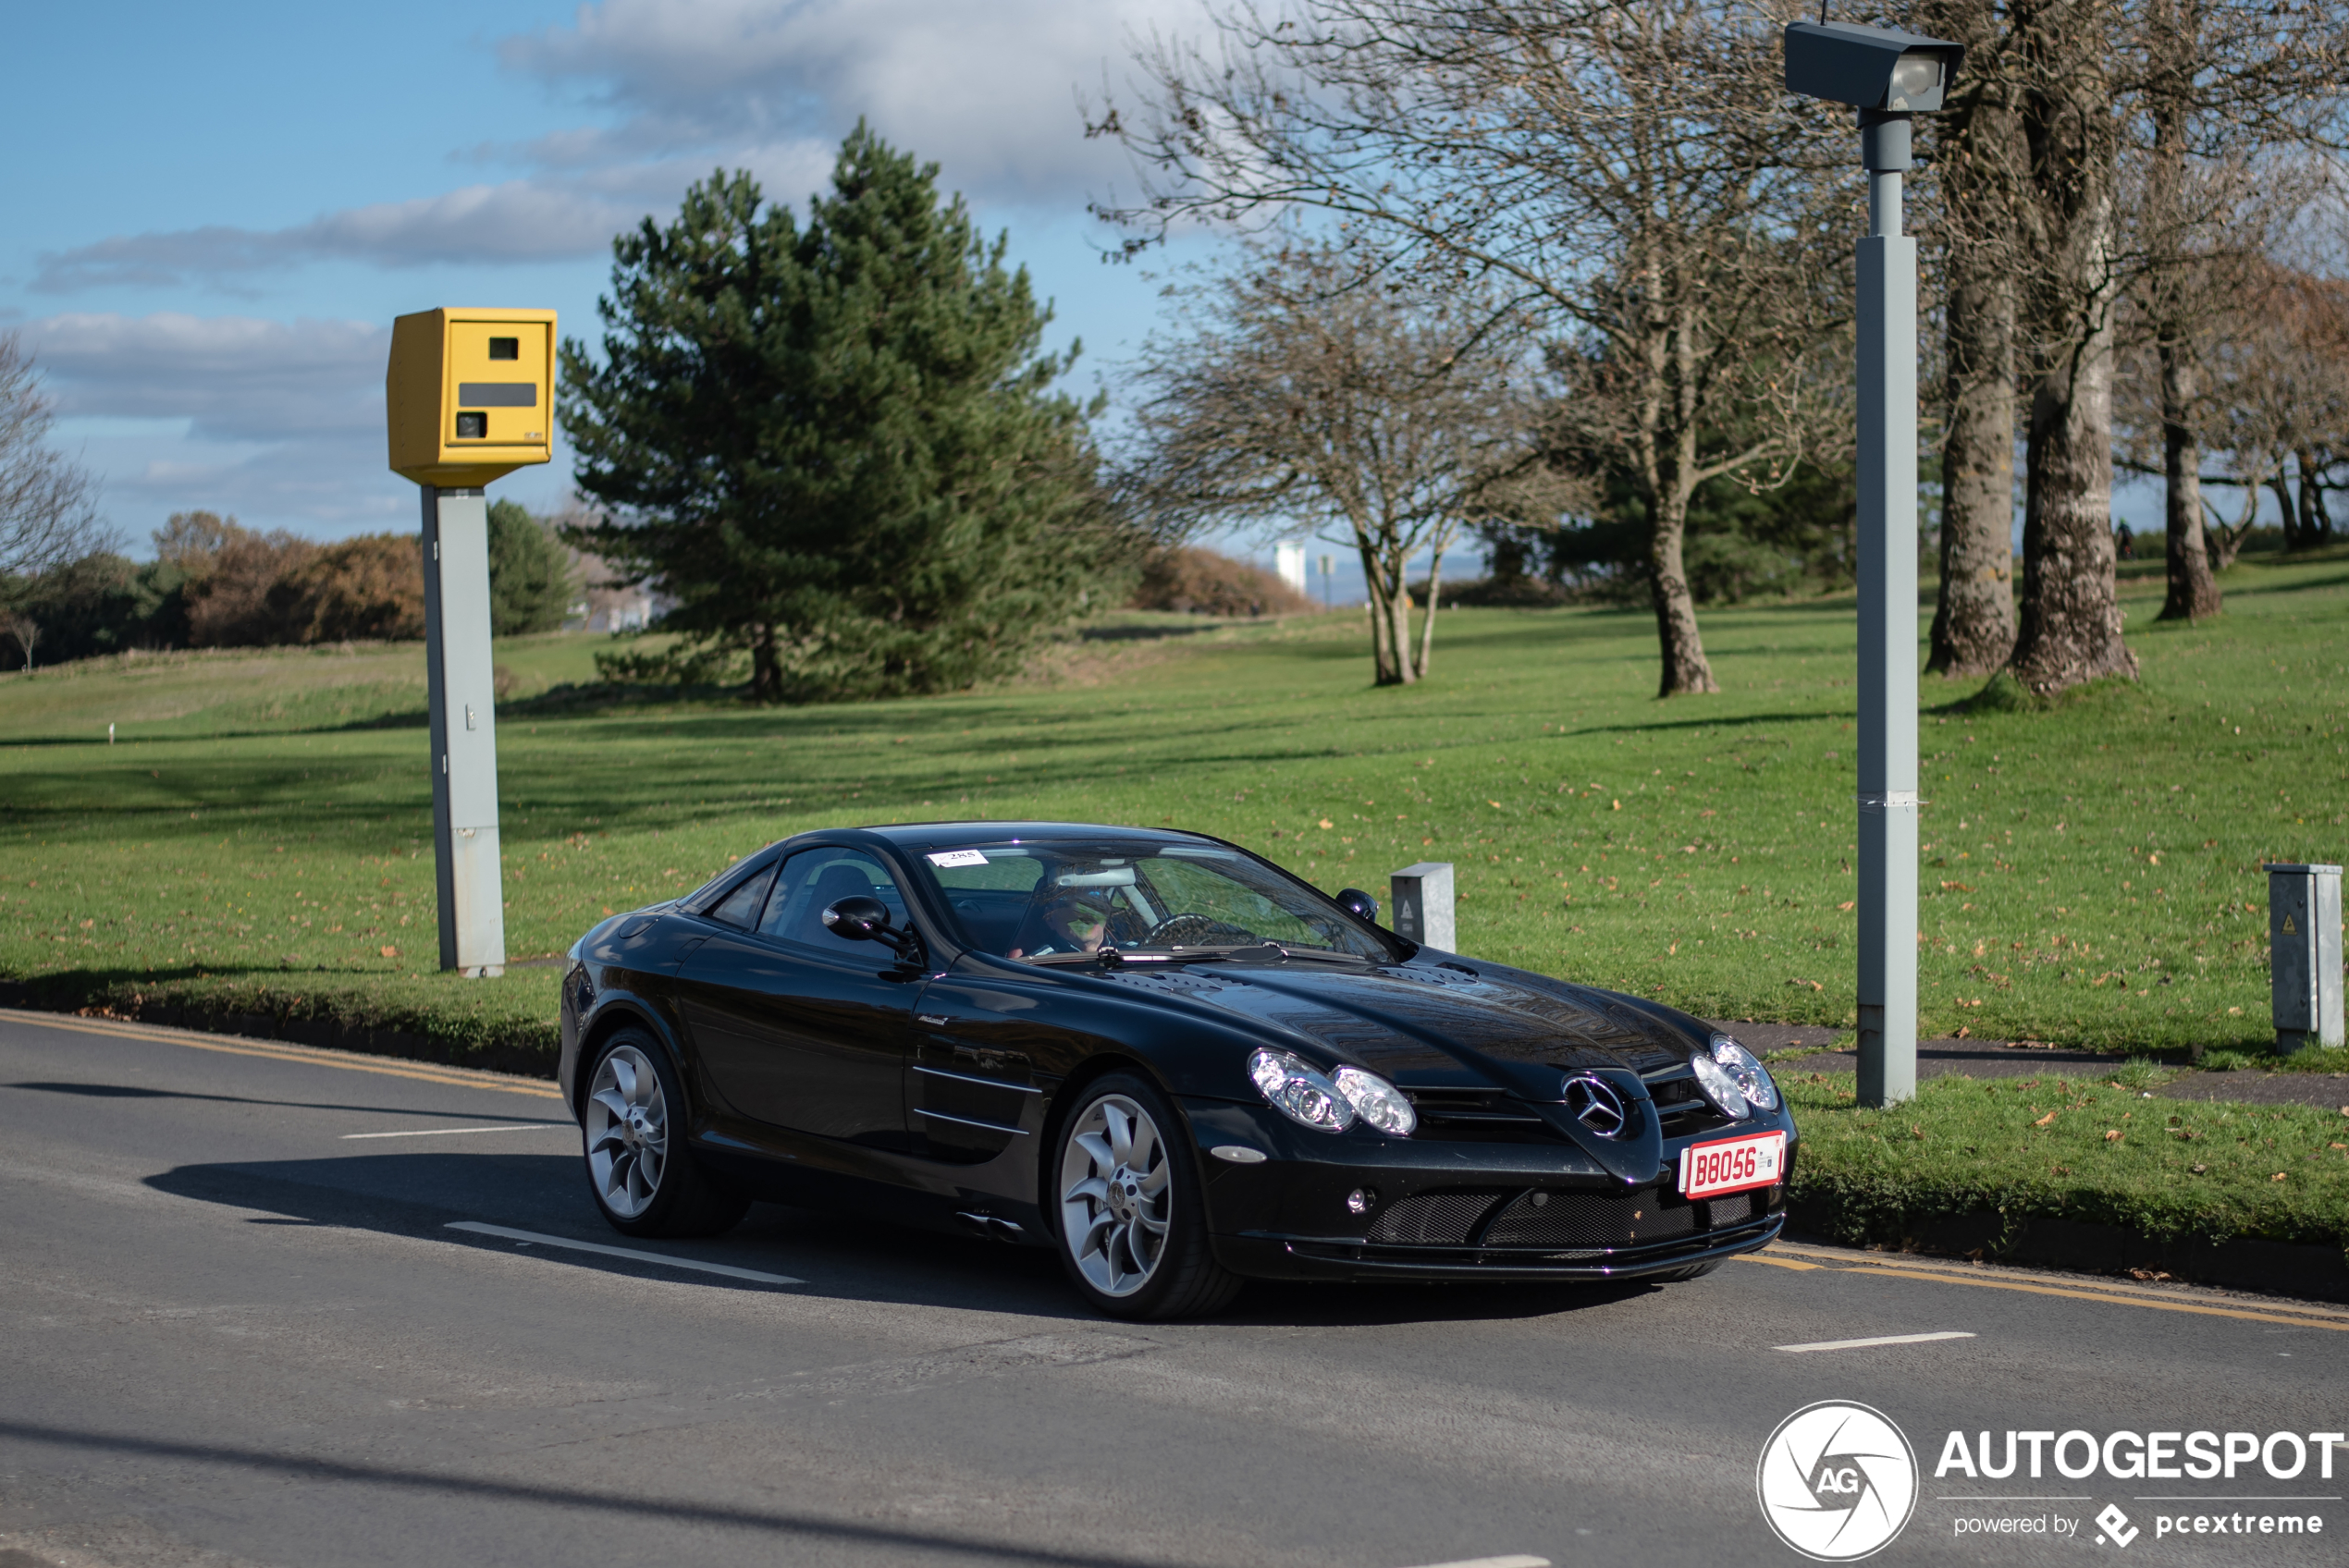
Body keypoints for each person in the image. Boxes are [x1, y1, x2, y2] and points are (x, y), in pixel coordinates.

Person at [1010, 894, 1114, 960]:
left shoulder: (1129, 950)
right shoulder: (1040, 962)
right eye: (1065, 903)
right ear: (1050, 918)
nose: (1085, 911)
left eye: (1094, 900)